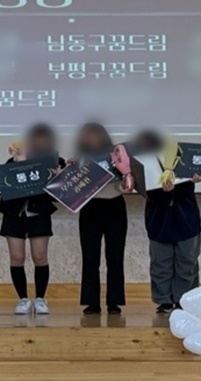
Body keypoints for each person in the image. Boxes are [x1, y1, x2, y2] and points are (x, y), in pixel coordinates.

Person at [0, 123, 64, 316]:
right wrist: (18, 163)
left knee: (40, 257)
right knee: (17, 257)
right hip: (14, 215)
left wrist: (60, 178)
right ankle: (23, 299)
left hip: (39, 214)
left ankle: (40, 298)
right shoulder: (16, 157)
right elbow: (0, 184)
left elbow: (62, 194)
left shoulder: (55, 161)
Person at [135, 130, 201, 314]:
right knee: (160, 263)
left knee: (187, 262)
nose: (143, 147)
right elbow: (145, 191)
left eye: (146, 144)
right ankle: (164, 300)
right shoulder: (140, 164)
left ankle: (185, 300)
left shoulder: (178, 155)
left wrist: (196, 178)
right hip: (158, 219)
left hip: (186, 218)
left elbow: (192, 178)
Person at [74, 122, 127, 315]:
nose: (92, 139)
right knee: (90, 257)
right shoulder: (79, 159)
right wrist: (69, 173)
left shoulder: (115, 156)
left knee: (115, 257)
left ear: (103, 136)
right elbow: (73, 189)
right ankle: (91, 302)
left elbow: (123, 183)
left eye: (95, 135)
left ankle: (114, 302)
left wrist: (125, 184)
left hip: (114, 205)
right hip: (90, 208)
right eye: (88, 135)